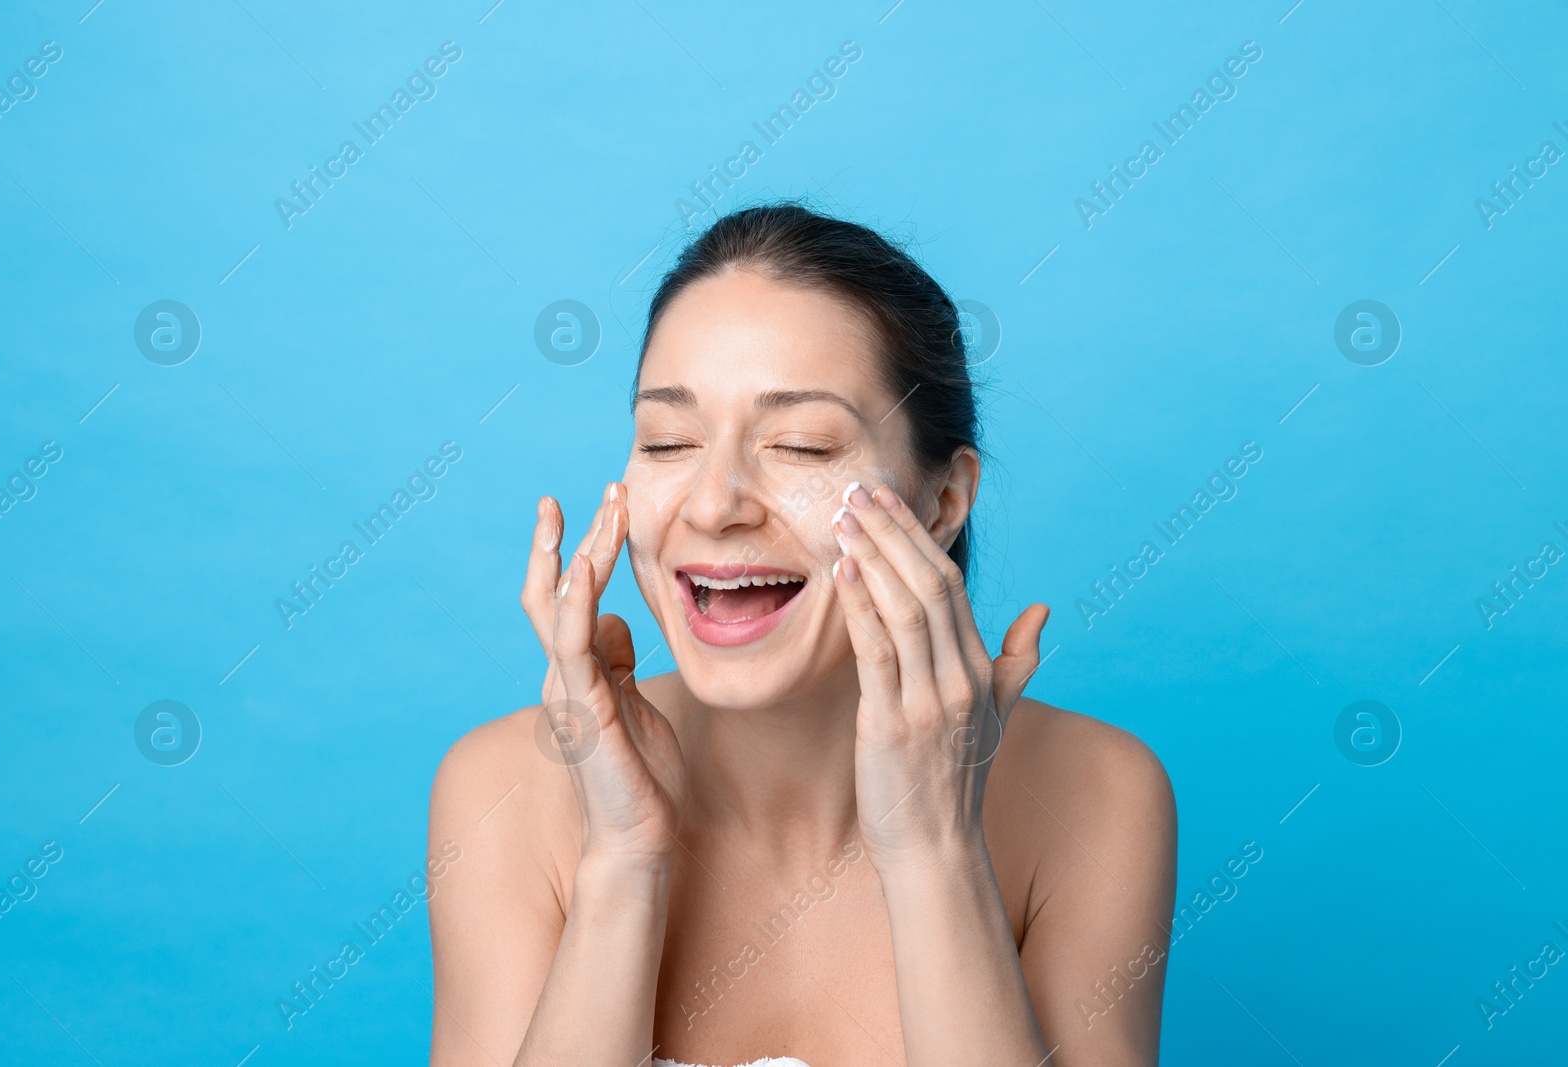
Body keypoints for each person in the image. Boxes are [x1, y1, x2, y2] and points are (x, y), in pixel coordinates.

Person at [427, 202, 1177, 1066]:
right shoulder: (502, 791)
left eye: (803, 447)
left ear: (943, 501)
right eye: (668, 441)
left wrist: (934, 850)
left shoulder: (1097, 797)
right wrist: (623, 865)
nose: (713, 506)